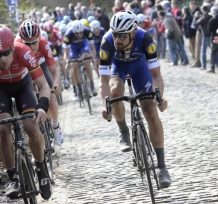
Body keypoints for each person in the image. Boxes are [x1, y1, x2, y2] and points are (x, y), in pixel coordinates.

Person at [0, 24, 52, 200]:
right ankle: (11, 177)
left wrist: (42, 106)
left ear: (13, 46)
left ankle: (40, 167)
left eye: (6, 52)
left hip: (23, 86)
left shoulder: (24, 52)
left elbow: (43, 85)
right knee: (2, 129)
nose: (2, 58)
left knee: (31, 127)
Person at [99, 10, 171, 188]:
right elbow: (104, 82)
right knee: (115, 91)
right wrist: (105, 105)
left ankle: (162, 167)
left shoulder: (145, 38)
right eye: (115, 34)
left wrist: (159, 96)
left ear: (133, 32)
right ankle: (123, 130)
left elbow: (156, 75)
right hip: (118, 68)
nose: (117, 39)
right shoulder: (107, 43)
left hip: (140, 69)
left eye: (122, 36)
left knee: (151, 111)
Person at [16, 19, 64, 146]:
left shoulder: (44, 44)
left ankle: (55, 125)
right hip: (25, 68)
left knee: (51, 99)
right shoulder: (17, 46)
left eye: (34, 43)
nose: (31, 47)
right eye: (27, 43)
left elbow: (54, 71)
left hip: (41, 65)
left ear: (39, 38)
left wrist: (56, 84)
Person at [63, 20, 97, 100]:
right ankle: (79, 90)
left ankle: (92, 85)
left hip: (83, 46)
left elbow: (92, 48)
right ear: (73, 32)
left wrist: (93, 58)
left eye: (81, 32)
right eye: (77, 33)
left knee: (86, 59)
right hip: (73, 48)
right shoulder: (68, 35)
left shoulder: (88, 32)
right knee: (74, 66)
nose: (79, 34)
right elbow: (66, 53)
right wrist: (67, 61)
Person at [207, 6, 218, 73]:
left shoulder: (212, 20)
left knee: (213, 53)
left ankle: (212, 67)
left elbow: (209, 30)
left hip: (215, 38)